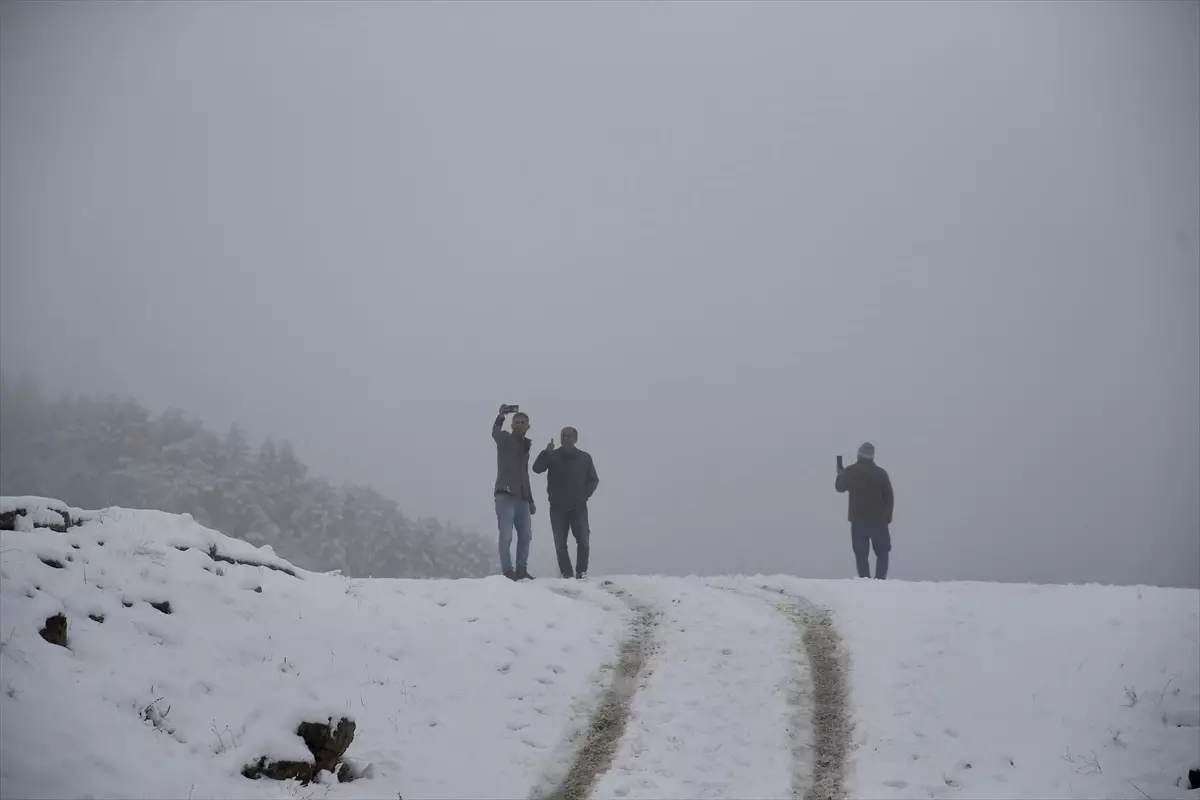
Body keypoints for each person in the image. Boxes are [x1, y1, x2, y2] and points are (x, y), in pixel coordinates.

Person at [532, 426, 599, 580]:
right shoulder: (553, 456)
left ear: (575, 439)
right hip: (557, 507)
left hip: (578, 506)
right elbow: (537, 468)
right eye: (564, 436)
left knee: (583, 539)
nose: (566, 439)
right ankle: (567, 574)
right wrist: (546, 452)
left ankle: (581, 572)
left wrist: (584, 495)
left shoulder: (584, 458)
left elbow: (593, 480)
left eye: (569, 436)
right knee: (560, 543)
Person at [835, 441, 894, 579]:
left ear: (859, 455)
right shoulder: (881, 474)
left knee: (861, 554)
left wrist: (840, 474)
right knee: (882, 553)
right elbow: (889, 497)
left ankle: (865, 582)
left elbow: (840, 488)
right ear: (872, 457)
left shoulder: (850, 471)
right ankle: (880, 580)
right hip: (879, 521)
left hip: (858, 521)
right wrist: (887, 518)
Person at [492, 405, 536, 580]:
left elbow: (524, 475)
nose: (519, 425)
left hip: (522, 498)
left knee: (526, 536)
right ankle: (507, 572)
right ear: (511, 425)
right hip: (505, 495)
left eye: (522, 422)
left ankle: (521, 569)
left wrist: (531, 500)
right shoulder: (504, 439)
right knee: (507, 536)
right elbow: (495, 432)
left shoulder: (526, 446)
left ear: (528, 426)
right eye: (516, 422)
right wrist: (501, 416)